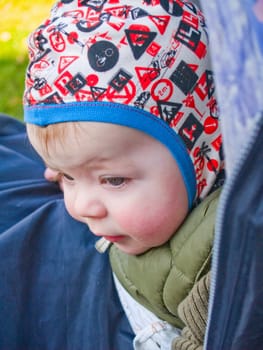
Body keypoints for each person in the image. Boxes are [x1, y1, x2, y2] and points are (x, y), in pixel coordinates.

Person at [23, 0, 224, 348]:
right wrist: (72, 167)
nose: (82, 206)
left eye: (113, 179)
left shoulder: (220, 259)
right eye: (68, 178)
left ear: (200, 152)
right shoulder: (134, 186)